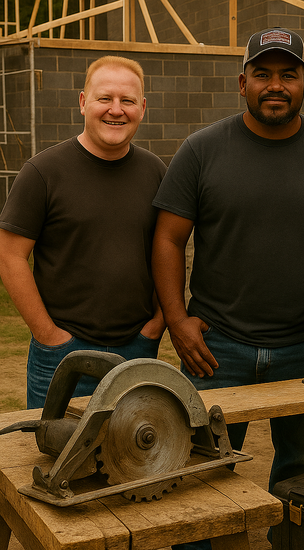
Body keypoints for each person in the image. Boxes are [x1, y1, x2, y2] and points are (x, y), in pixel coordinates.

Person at [152, 27, 304, 548]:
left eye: (287, 74)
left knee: (301, 471)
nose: (274, 85)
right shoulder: (201, 150)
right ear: (242, 83)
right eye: (262, 74)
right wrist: (176, 319)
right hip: (217, 348)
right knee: (200, 474)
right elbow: (168, 240)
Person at [0, 56, 167, 409]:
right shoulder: (43, 172)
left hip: (138, 349)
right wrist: (48, 336)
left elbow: (166, 250)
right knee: (55, 458)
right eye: (105, 98)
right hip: (62, 353)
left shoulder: (156, 172)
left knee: (132, 458)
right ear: (82, 102)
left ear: (143, 108)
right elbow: (9, 255)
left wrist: (157, 322)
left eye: (128, 101)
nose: (116, 110)